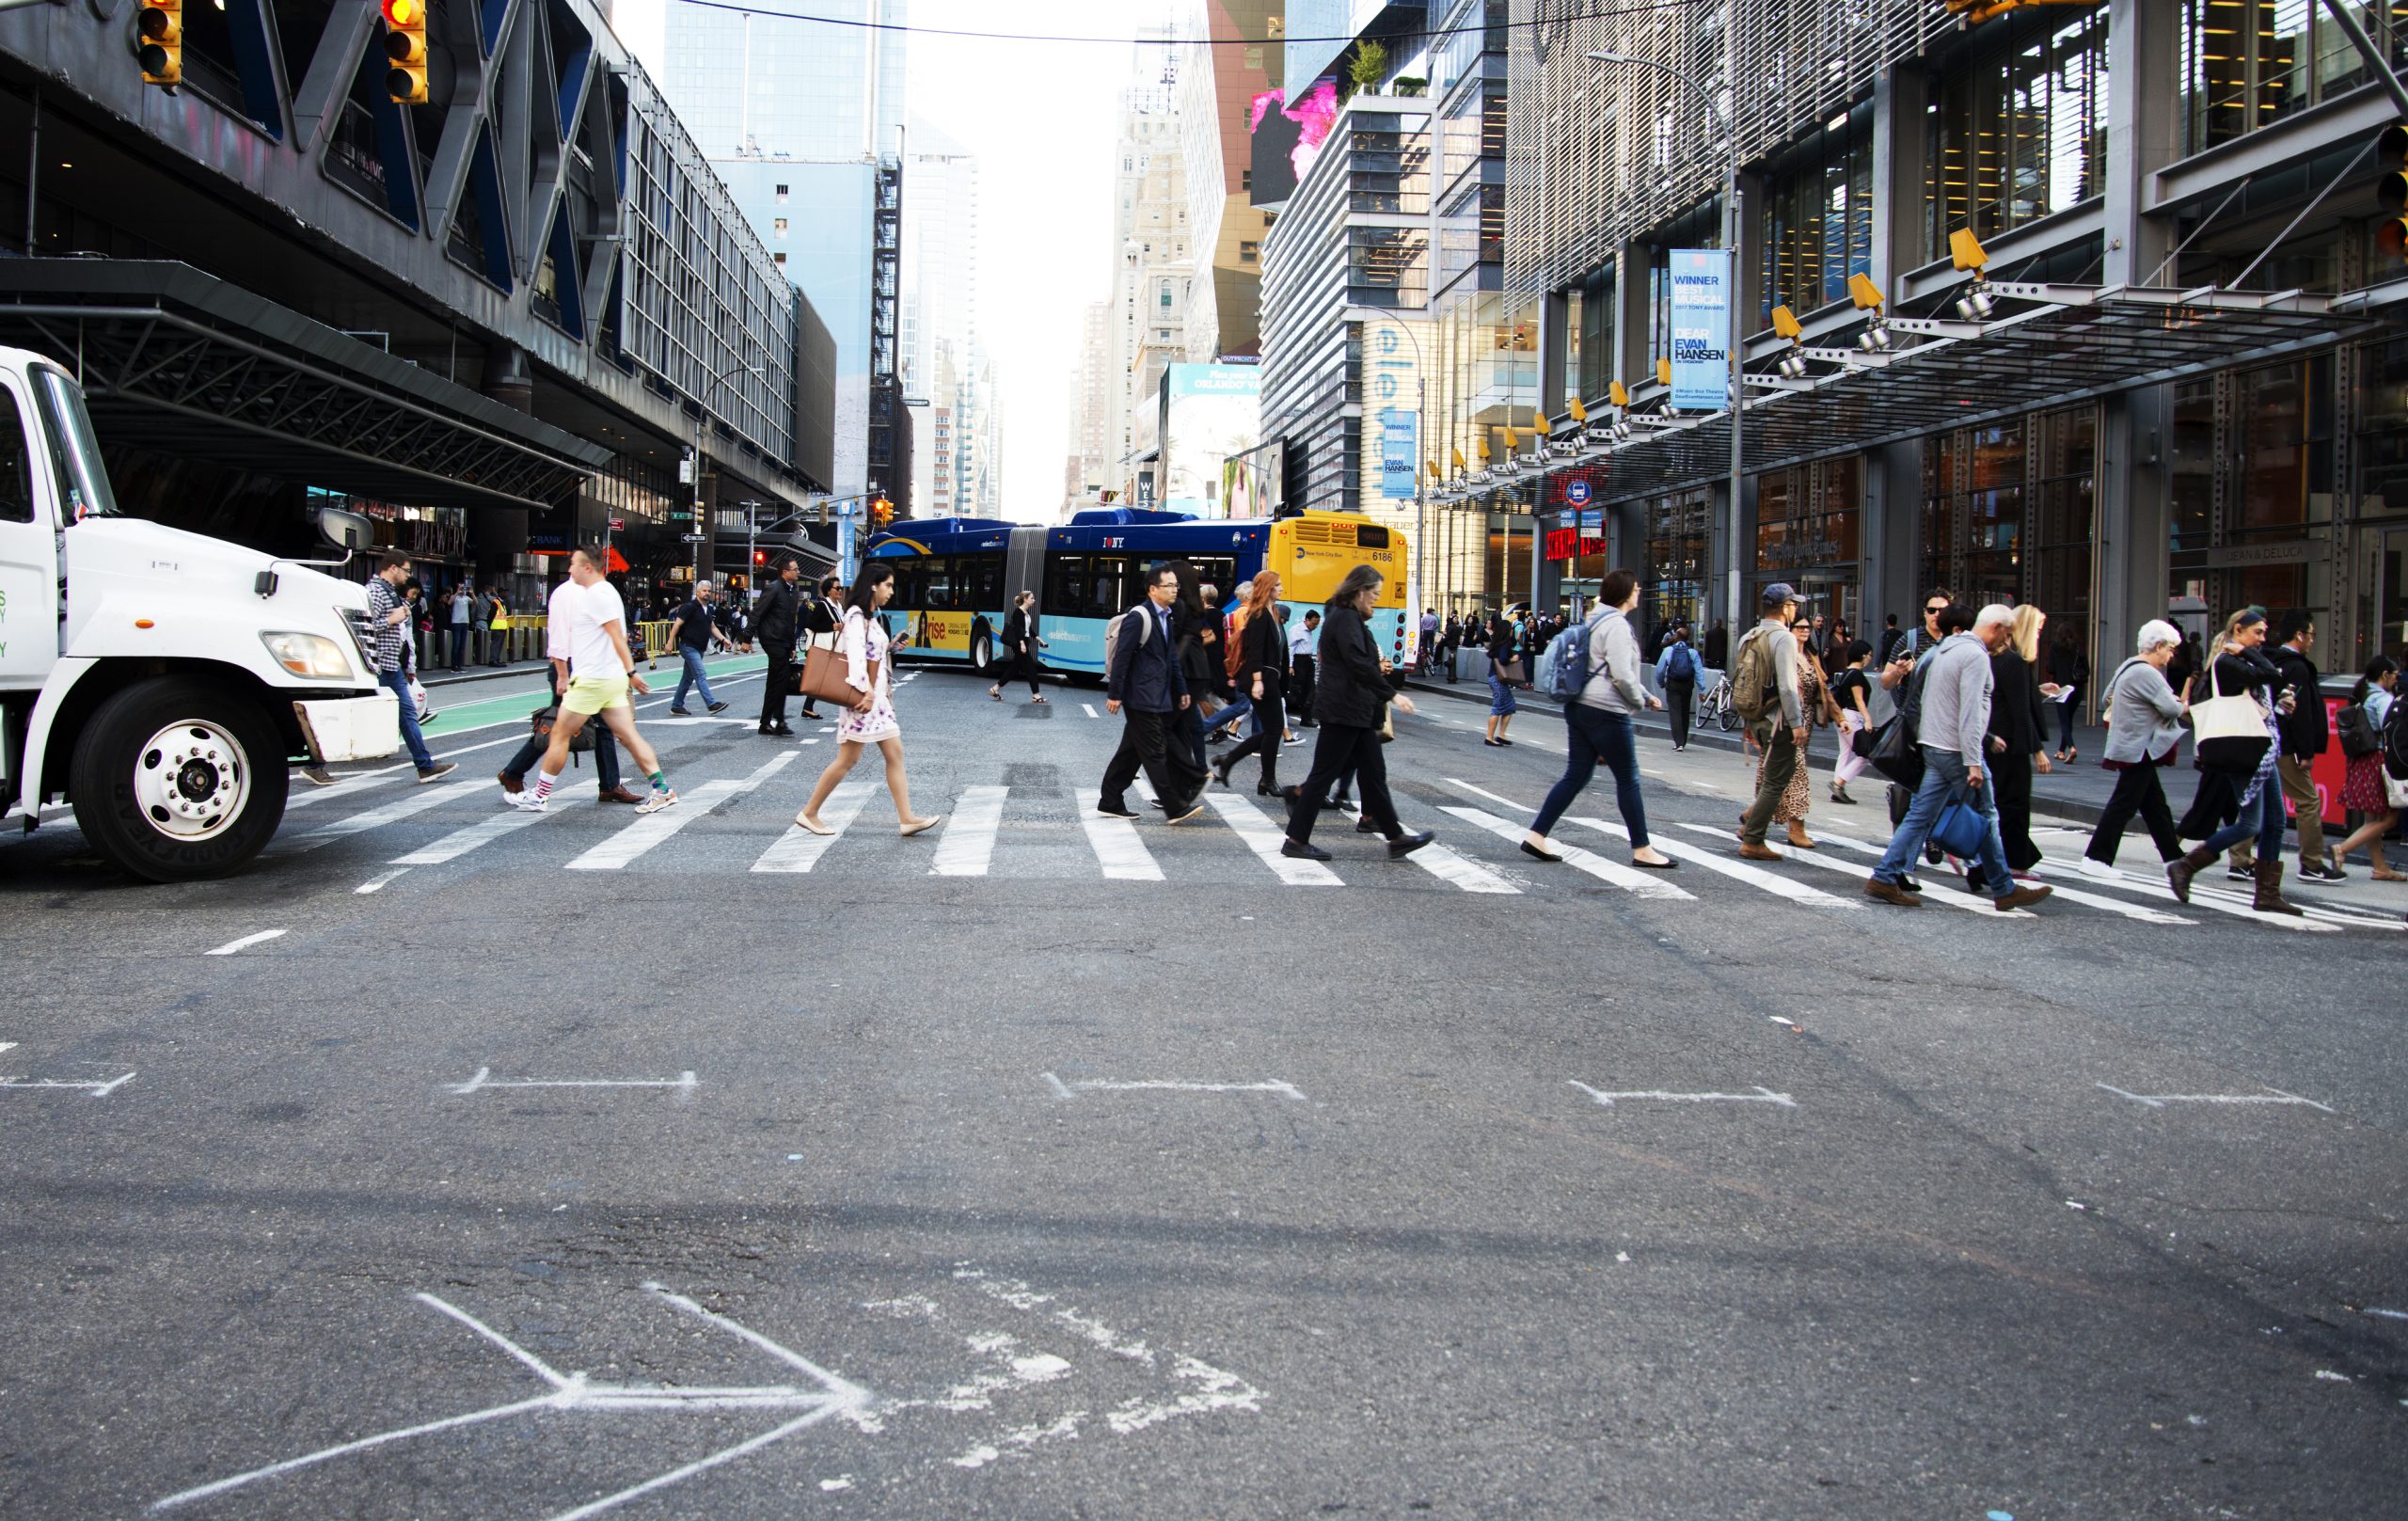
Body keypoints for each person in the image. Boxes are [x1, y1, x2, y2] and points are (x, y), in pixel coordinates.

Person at [1862, 604, 2052, 911]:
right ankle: (2004, 888)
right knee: (1989, 814)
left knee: (1919, 816)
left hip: (1934, 745)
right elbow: (1970, 712)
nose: (2006, 642)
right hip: (1957, 750)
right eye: (2005, 634)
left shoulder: (1942, 650)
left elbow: (1930, 702)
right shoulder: (1976, 657)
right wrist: (1974, 759)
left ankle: (1884, 876)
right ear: (1995, 628)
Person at [1520, 569, 1675, 870]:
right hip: (1606, 711)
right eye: (1636, 587)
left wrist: (1643, 694)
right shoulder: (1616, 624)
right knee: (1628, 779)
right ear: (1625, 592)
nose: (1640, 590)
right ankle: (1642, 848)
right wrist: (1637, 700)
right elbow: (1620, 673)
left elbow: (1606, 668)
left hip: (1580, 706)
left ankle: (1537, 835)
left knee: (1576, 775)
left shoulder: (1595, 619)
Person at [1280, 564, 1431, 862]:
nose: (1376, 599)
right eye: (1374, 594)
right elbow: (1358, 663)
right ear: (1360, 591)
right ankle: (1296, 839)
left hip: (1353, 711)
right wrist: (1392, 694)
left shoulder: (1347, 617)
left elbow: (1361, 661)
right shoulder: (1345, 618)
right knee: (1323, 776)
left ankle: (1395, 837)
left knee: (1374, 774)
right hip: (1343, 709)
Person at [509, 547, 675, 815]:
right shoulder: (604, 592)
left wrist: (632, 673)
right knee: (629, 736)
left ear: (588, 567)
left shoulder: (597, 595)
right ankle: (662, 790)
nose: (570, 568)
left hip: (592, 680)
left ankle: (539, 795)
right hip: (609, 680)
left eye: (574, 564)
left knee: (560, 735)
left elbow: (616, 636)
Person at [2165, 609, 2303, 914]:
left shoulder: (2239, 660)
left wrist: (2280, 705)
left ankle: (2267, 893)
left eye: (2265, 633)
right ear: (2238, 631)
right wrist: (2248, 653)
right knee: (2251, 823)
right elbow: (2271, 673)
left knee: (2276, 821)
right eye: (2258, 632)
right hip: (2243, 753)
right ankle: (2185, 866)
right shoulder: (2227, 662)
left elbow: (2259, 698)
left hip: (2261, 750)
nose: (2263, 639)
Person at [792, 562, 943, 837]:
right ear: (873, 585)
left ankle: (907, 818)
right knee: (848, 760)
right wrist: (868, 691)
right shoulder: (855, 616)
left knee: (893, 754)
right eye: (888, 585)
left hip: (876, 700)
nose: (891, 592)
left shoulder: (870, 618)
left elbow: (874, 653)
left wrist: (892, 646)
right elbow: (857, 659)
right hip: (863, 699)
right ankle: (810, 812)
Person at [2076, 620, 2192, 878]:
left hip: (2132, 744)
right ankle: (2096, 858)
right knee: (2124, 804)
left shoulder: (2128, 665)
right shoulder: (2148, 673)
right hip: (2140, 746)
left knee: (2155, 806)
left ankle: (2174, 860)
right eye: (2170, 649)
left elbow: (2107, 696)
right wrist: (2178, 702)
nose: (2171, 655)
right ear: (2158, 646)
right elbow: (2173, 708)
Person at [1096, 563, 1207, 825]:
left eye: (1176, 585)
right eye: (1169, 585)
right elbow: (1122, 657)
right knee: (1155, 753)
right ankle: (1174, 807)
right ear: (1153, 589)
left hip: (1158, 694)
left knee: (1130, 752)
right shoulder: (1139, 616)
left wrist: (1180, 689)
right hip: (1140, 696)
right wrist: (1115, 694)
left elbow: (1171, 659)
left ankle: (1110, 801)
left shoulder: (1166, 616)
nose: (1174, 589)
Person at [2258, 608, 2339, 881]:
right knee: (2308, 801)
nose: (2313, 640)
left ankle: (2240, 860)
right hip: (2288, 747)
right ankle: (2312, 863)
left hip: (2266, 741)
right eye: (2312, 634)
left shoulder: (2270, 662)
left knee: (2257, 801)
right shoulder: (2297, 668)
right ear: (2299, 635)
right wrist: (2305, 751)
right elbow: (2299, 713)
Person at [362, 551, 456, 784]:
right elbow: (365, 628)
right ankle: (316, 763)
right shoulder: (374, 590)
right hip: (378, 667)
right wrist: (391, 620)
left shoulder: (388, 591)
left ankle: (425, 766)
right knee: (362, 715)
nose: (408, 575)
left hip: (389, 666)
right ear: (393, 568)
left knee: (407, 715)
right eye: (406, 570)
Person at [1733, 584, 1810, 861]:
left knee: (1773, 777)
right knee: (1777, 780)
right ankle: (1753, 838)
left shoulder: (1749, 635)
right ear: (1786, 608)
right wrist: (1797, 723)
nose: (1796, 610)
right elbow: (1788, 687)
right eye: (1794, 605)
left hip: (1755, 717)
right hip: (1778, 719)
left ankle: (1751, 826)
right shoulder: (1784, 638)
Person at [1988, 604, 2054, 878]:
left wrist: (2036, 692)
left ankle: (1995, 856)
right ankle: (2015, 862)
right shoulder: (2014, 661)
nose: (2039, 636)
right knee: (2014, 804)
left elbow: (2009, 698)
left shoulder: (1999, 659)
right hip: (2011, 744)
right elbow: (2019, 710)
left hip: (1996, 739)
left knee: (1999, 802)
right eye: (2037, 630)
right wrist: (2037, 749)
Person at [1213, 572, 1292, 796]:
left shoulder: (1273, 612)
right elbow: (1255, 650)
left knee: (1272, 729)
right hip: (1261, 678)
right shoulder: (1258, 614)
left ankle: (1231, 761)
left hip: (1270, 678)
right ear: (1266, 588)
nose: (1281, 588)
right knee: (1274, 729)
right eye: (1277, 585)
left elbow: (1280, 650)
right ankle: (1266, 779)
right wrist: (1258, 680)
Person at [2330, 656, 2401, 880]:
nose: (2397, 679)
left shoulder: (2364, 692)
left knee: (2373, 820)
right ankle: (2342, 849)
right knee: (2389, 819)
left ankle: (2380, 868)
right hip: (2379, 760)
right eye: (2395, 675)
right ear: (2385, 676)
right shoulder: (2381, 698)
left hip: (2364, 760)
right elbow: (2389, 726)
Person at [665, 580, 735, 716]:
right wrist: (669, 642)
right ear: (697, 592)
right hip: (688, 646)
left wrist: (724, 639)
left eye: (709, 591)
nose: (707, 593)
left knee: (687, 678)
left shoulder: (706, 609)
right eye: (704, 590)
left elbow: (712, 627)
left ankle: (676, 705)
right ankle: (711, 704)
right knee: (700, 674)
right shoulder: (689, 607)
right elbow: (677, 625)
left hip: (699, 648)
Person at [753, 556, 805, 737]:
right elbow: (757, 613)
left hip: (783, 641)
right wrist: (745, 638)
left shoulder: (793, 590)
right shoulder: (773, 588)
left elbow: (791, 620)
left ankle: (766, 723)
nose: (798, 572)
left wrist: (792, 645)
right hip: (772, 639)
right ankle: (780, 720)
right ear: (785, 572)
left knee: (774, 681)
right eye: (795, 569)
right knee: (782, 678)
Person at [1827, 639, 1874, 805]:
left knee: (1846, 753)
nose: (1870, 658)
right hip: (1852, 717)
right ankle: (1838, 784)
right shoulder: (1857, 675)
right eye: (1869, 655)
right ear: (1862, 656)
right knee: (1866, 753)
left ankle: (1838, 790)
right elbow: (1859, 700)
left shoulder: (1846, 673)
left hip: (1842, 716)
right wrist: (1868, 719)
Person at [987, 590, 1049, 703]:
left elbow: (1028, 630)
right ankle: (1036, 694)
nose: (1034, 600)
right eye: (1032, 598)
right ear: (1025, 599)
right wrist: (1022, 644)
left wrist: (1040, 640)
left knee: (1015, 669)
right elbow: (1016, 631)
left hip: (1024, 641)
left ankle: (995, 689)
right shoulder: (1018, 612)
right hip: (1019, 643)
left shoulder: (1026, 613)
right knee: (1031, 669)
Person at [798, 573, 842, 721]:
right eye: (838, 588)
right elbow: (811, 625)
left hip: (829, 648)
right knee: (818, 678)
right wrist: (832, 626)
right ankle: (808, 707)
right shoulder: (823, 606)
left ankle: (808, 707)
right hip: (820, 648)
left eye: (841, 588)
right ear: (829, 590)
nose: (840, 590)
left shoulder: (838, 607)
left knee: (820, 679)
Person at [2046, 624, 2089, 764]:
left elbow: (2051, 668)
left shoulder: (2054, 647)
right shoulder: (2078, 647)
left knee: (2064, 721)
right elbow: (2086, 669)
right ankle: (2060, 751)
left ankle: (2071, 748)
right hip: (2077, 688)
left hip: (2062, 688)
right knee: (2068, 720)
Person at [1654, 622, 1701, 751]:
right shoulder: (1693, 653)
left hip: (1673, 685)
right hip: (1687, 685)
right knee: (1685, 712)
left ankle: (1678, 742)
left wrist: (1661, 683)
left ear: (1676, 637)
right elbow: (1699, 672)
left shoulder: (1668, 650)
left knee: (1675, 712)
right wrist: (1702, 689)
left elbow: (1659, 670)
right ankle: (1683, 741)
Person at [1483, 611, 1521, 747]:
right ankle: (1490, 737)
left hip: (1494, 677)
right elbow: (1504, 660)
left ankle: (1501, 735)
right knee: (1498, 707)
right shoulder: (1504, 644)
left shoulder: (1497, 643)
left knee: (1510, 705)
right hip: (1498, 679)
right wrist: (1514, 659)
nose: (1512, 630)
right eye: (1511, 629)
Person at [1289, 608, 1322, 727]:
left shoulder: (1309, 631)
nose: (1315, 626)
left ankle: (1306, 719)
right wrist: (1290, 665)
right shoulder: (1296, 630)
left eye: (1316, 624)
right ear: (1307, 620)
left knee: (1311, 689)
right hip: (1299, 661)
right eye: (1313, 623)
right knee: (1298, 689)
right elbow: (1291, 648)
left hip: (1308, 661)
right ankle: (1294, 708)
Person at [447, 582, 473, 672]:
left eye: (463, 588)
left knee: (462, 646)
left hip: (465, 623)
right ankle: (454, 666)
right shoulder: (455, 597)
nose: (462, 590)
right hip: (456, 623)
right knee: (456, 645)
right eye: (461, 588)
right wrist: (457, 592)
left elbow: (475, 603)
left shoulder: (466, 598)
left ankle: (459, 665)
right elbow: (449, 603)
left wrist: (472, 593)